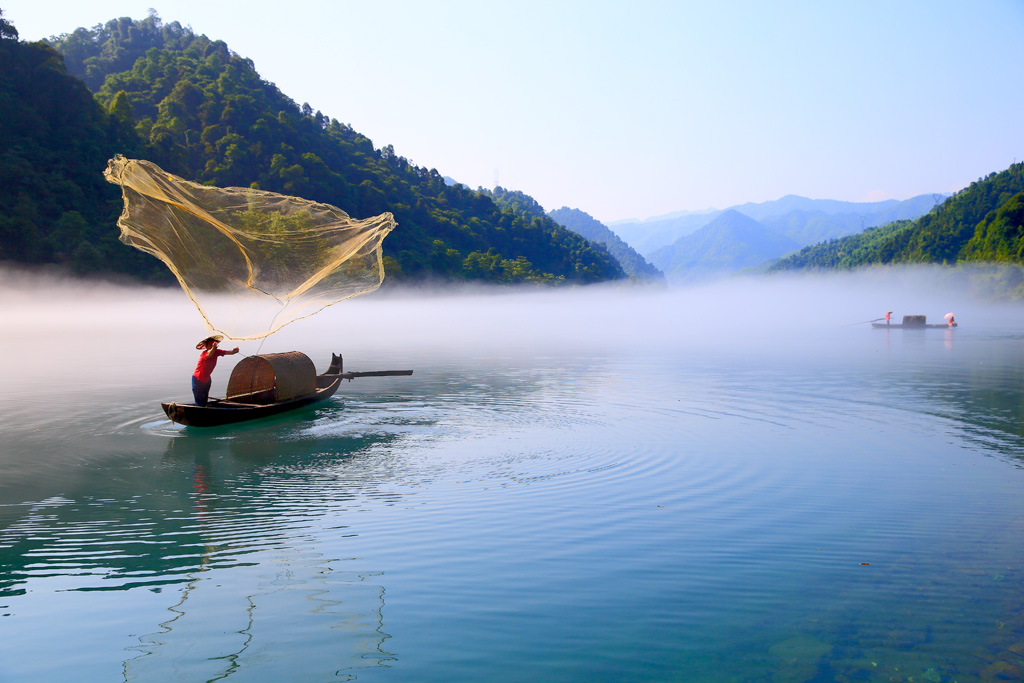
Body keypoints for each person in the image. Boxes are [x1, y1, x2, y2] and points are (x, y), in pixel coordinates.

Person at [192, 335, 240, 406]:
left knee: (204, 400)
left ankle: (204, 409)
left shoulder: (217, 352)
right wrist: (213, 348)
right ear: (206, 346)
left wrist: (235, 351)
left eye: (213, 344)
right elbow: (209, 354)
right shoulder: (204, 354)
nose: (212, 346)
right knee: (199, 402)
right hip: (197, 380)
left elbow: (230, 352)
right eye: (210, 345)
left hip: (207, 380)